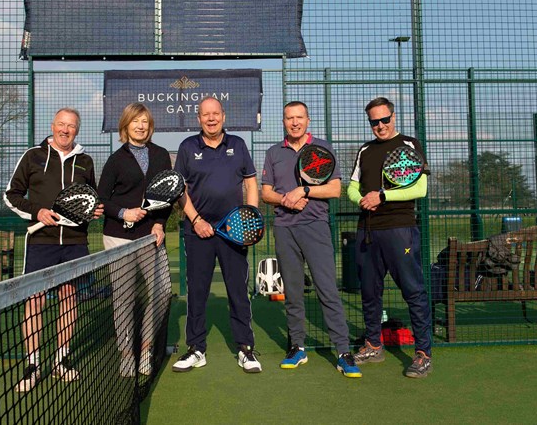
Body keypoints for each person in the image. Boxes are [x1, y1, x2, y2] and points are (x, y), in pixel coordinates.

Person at [4, 107, 104, 392]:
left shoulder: (85, 161)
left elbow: (90, 199)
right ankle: (33, 364)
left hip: (74, 244)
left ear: (77, 129)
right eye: (61, 124)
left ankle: (62, 359)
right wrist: (37, 212)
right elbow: (11, 195)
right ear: (52, 125)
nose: (65, 130)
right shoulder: (33, 156)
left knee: (69, 297)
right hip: (41, 242)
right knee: (35, 300)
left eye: (71, 126)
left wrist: (94, 211)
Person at [261, 101, 361, 378]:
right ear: (283, 121)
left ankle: (343, 351)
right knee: (292, 292)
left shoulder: (322, 148)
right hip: (284, 228)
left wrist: (303, 190)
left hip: (315, 227)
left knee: (327, 290)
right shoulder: (273, 153)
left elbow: (334, 189)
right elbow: (265, 192)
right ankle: (297, 347)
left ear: (308, 120)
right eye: (289, 118)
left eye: (299, 117)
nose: (294, 122)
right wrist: (285, 199)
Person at [171, 96, 262, 373]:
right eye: (205, 115)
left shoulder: (238, 145)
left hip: (234, 232)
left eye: (215, 114)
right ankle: (196, 349)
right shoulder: (187, 147)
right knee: (197, 292)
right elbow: (179, 190)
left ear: (223, 116)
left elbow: (251, 183)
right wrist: (196, 220)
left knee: (237, 290)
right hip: (197, 231)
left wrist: (248, 218)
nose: (211, 118)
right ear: (198, 119)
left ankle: (245, 349)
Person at [347, 97, 432, 378]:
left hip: (400, 229)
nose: (380, 126)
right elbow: (351, 188)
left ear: (393, 117)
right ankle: (373, 344)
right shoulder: (364, 150)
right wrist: (362, 200)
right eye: (374, 121)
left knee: (413, 291)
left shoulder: (408, 145)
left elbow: (420, 188)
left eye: (385, 120)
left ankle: (423, 353)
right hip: (368, 231)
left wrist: (382, 196)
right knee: (370, 292)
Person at [97, 102, 173, 377]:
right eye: (135, 122)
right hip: (118, 237)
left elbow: (166, 196)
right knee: (123, 297)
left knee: (162, 292)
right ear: (125, 126)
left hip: (150, 238)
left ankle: (147, 348)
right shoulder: (116, 159)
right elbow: (102, 199)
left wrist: (160, 224)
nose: (141, 126)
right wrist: (123, 211)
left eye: (145, 121)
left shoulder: (162, 155)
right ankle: (127, 354)